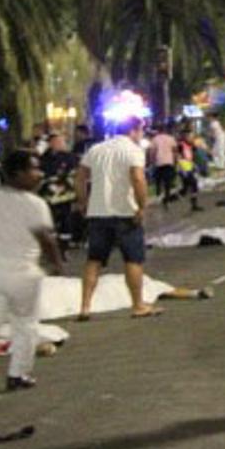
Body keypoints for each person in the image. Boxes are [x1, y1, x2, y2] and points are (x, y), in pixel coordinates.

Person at [0, 150, 63, 391]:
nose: (39, 174)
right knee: (25, 325)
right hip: (23, 273)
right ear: (19, 174)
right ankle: (18, 374)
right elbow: (45, 239)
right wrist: (57, 263)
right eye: (34, 169)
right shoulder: (35, 204)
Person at [76, 117, 157, 320]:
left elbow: (80, 177)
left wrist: (83, 202)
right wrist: (141, 205)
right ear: (134, 130)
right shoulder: (133, 150)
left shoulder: (96, 149)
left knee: (94, 259)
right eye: (141, 131)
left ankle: (85, 306)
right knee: (133, 258)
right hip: (125, 213)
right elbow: (138, 178)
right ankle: (138, 305)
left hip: (98, 213)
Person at [149, 126, 178, 203]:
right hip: (169, 161)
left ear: (158, 131)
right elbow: (175, 151)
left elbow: (152, 152)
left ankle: (158, 195)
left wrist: (151, 161)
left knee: (158, 180)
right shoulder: (171, 138)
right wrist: (175, 161)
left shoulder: (155, 139)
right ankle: (167, 197)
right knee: (167, 180)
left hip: (159, 162)